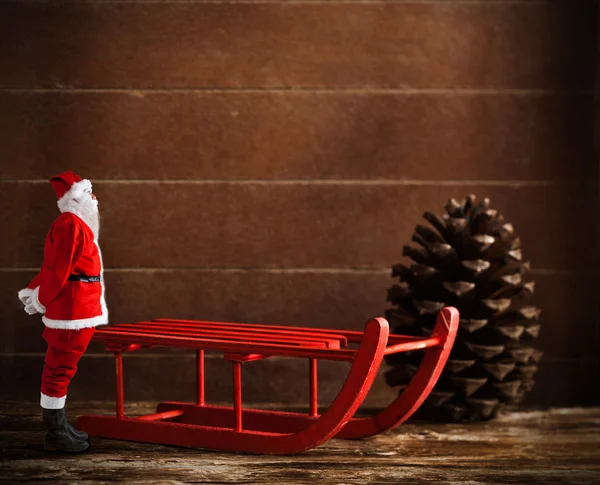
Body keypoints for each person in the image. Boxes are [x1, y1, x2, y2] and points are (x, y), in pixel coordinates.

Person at [18, 171, 108, 453]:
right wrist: (41, 298)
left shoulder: (77, 224)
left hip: (81, 307)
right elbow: (58, 270)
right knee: (59, 369)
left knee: (63, 368)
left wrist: (35, 290)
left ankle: (60, 426)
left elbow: (52, 267)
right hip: (72, 310)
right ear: (76, 198)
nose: (94, 198)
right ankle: (55, 433)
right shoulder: (70, 225)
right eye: (89, 193)